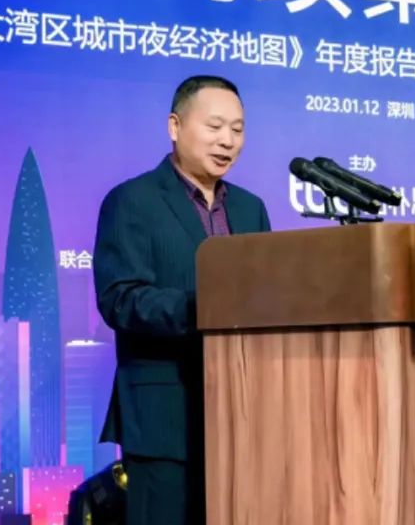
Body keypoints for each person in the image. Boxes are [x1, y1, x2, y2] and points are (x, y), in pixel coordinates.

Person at [93, 75, 271, 524]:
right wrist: (208, 307)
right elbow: (119, 299)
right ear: (175, 126)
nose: (227, 140)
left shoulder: (250, 209)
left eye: (237, 129)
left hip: (244, 415)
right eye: (215, 126)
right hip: (164, 418)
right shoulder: (132, 200)